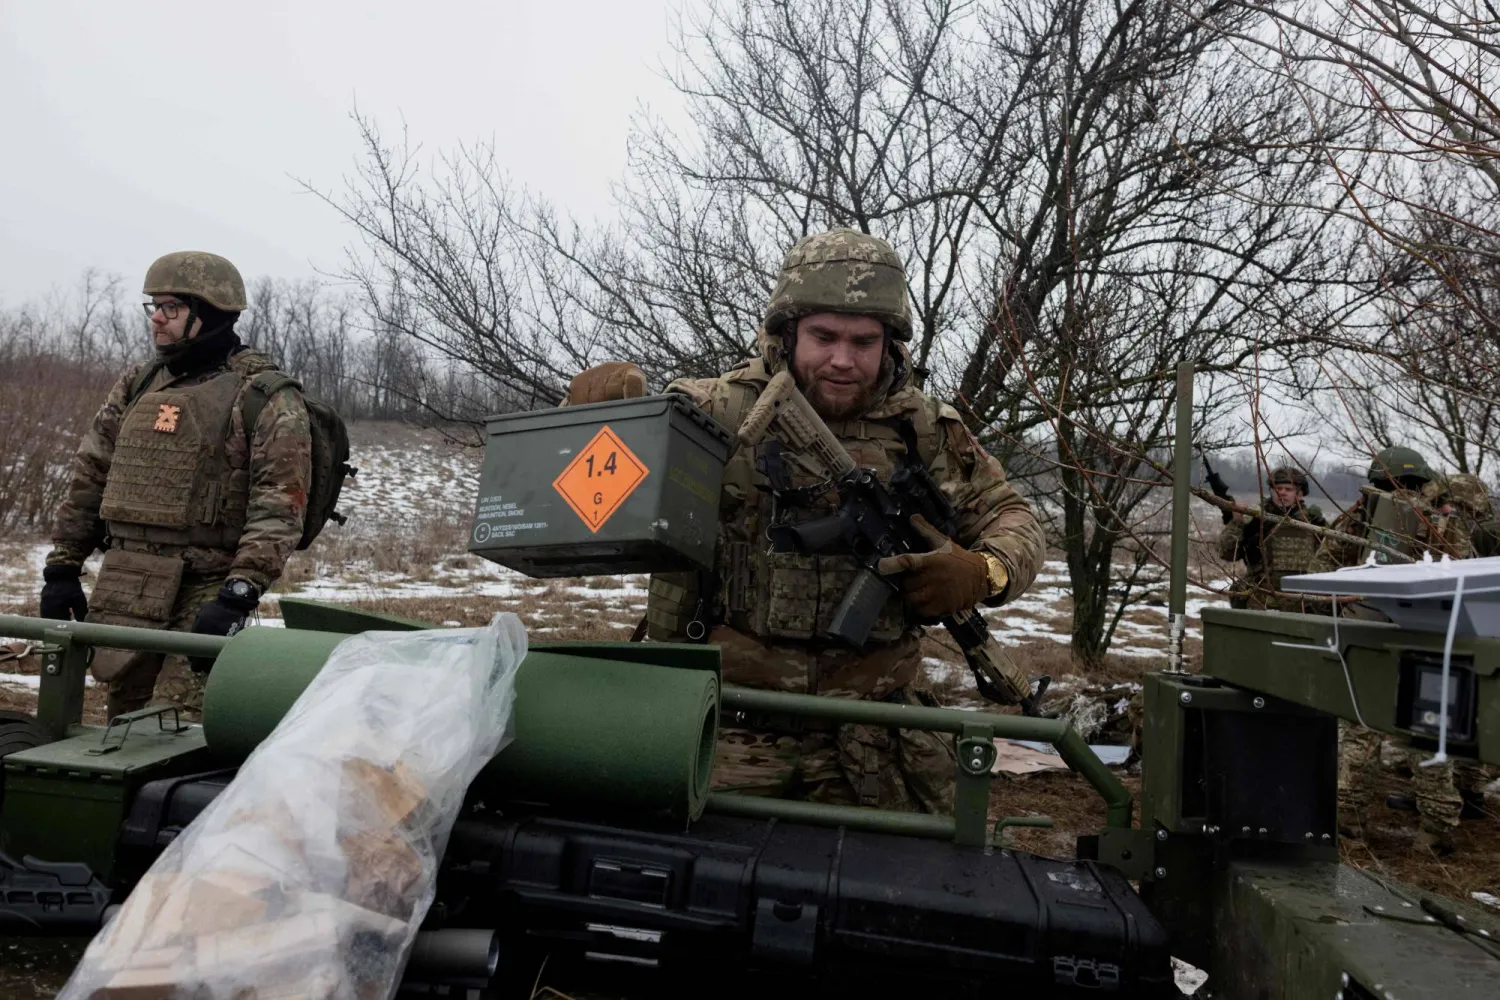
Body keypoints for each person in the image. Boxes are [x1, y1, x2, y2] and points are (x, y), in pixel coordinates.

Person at [565, 228, 1045, 813]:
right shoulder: (713, 410)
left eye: (863, 341)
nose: (843, 360)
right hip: (724, 724)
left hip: (876, 737)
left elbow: (1014, 517)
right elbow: (590, 505)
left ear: (890, 344)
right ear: (786, 332)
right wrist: (594, 425)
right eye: (824, 336)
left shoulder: (924, 433)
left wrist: (983, 571)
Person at [37, 251, 311, 721]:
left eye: (171, 309)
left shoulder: (264, 395)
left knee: (171, 727)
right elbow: (91, 475)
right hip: (129, 581)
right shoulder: (138, 384)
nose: (157, 320)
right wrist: (63, 567)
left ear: (207, 315)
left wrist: (238, 594)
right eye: (154, 308)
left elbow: (280, 503)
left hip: (206, 586)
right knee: (122, 721)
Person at [1307, 447, 1449, 839]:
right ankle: (1436, 829)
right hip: (1429, 637)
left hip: (1368, 634)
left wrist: (1349, 602)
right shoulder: (1440, 520)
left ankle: (1350, 821)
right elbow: (1466, 569)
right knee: (1429, 728)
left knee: (1360, 726)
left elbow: (1319, 571)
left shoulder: (1359, 516)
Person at [1215, 465, 1326, 611]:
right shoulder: (1256, 519)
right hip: (1260, 603)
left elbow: (1331, 561)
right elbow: (1226, 552)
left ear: (1299, 494)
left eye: (1288, 489)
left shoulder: (1314, 523)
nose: (1282, 493)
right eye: (1278, 489)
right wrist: (1236, 522)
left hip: (1302, 606)